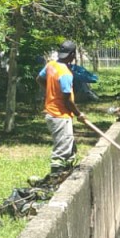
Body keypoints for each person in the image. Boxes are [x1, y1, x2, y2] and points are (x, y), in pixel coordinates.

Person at [37, 40, 90, 171]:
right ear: (72, 55)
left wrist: (51, 92)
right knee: (62, 150)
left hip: (51, 113)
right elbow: (68, 101)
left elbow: (39, 79)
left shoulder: (51, 65)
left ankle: (67, 172)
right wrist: (79, 114)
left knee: (70, 147)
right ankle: (56, 176)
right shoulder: (65, 73)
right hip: (60, 115)